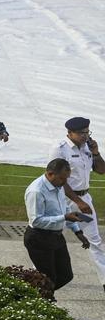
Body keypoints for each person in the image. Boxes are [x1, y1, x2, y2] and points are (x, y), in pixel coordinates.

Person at [52, 117, 105, 291]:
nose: (85, 136)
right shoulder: (60, 149)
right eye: (82, 133)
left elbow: (101, 170)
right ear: (70, 132)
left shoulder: (87, 147)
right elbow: (57, 179)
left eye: (87, 132)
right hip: (63, 201)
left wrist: (96, 152)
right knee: (50, 239)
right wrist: (77, 201)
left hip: (84, 201)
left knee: (95, 241)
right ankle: (39, 278)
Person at [24, 158, 89, 291]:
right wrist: (64, 217)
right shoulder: (36, 191)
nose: (65, 182)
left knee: (66, 275)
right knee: (48, 280)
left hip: (56, 236)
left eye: (67, 178)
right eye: (62, 178)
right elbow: (36, 221)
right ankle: (39, 297)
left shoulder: (58, 185)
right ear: (50, 174)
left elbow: (65, 209)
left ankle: (32, 294)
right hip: (38, 238)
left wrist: (78, 232)